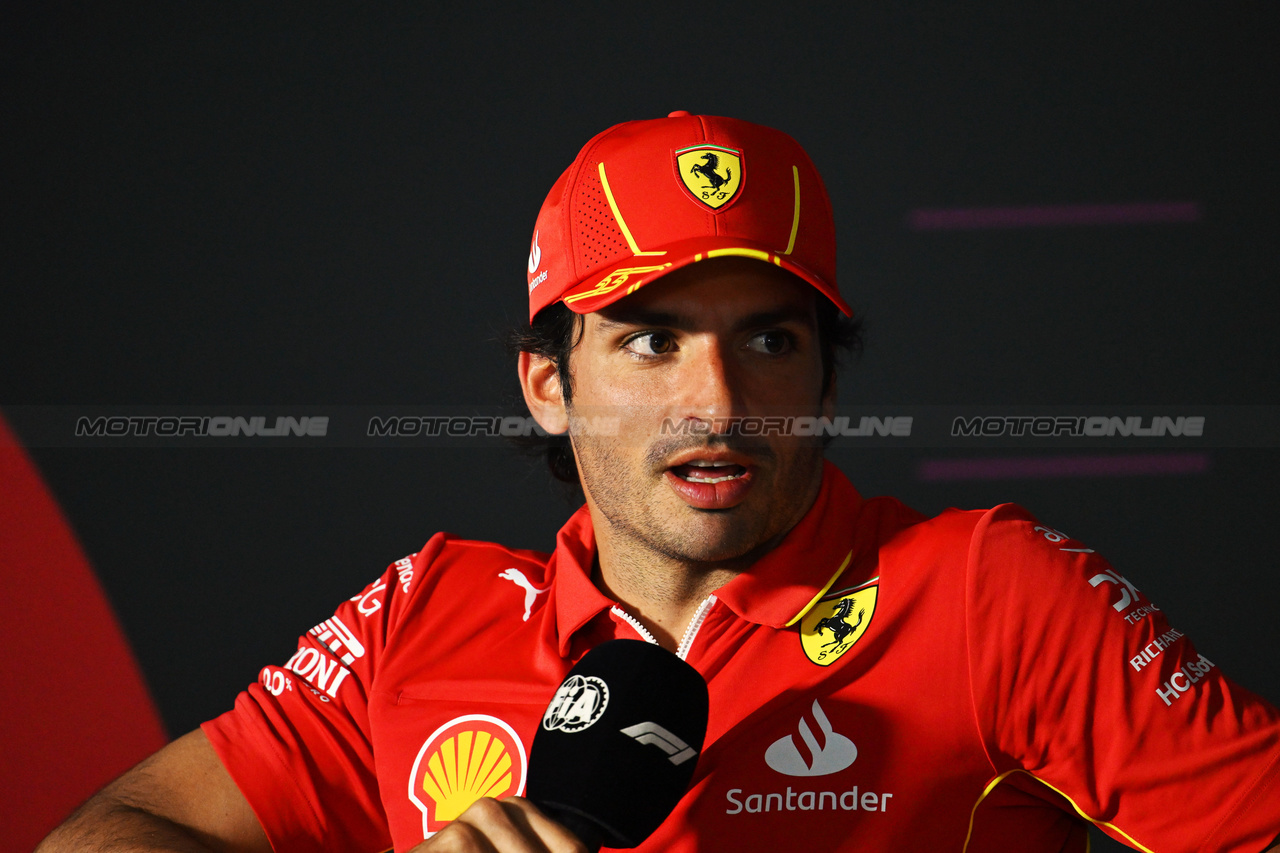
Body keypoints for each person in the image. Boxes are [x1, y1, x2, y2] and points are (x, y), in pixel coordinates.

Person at [39, 113, 1280, 853]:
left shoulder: (985, 591)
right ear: (545, 383)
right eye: (650, 337)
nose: (721, 402)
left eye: (770, 338)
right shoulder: (422, 612)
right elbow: (99, 836)